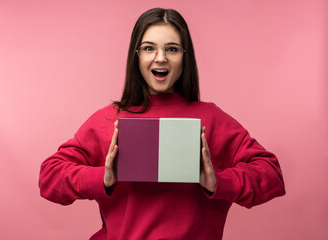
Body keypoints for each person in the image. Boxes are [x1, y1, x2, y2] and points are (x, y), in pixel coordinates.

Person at [39, 8, 286, 240]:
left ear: (184, 56)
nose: (160, 58)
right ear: (136, 56)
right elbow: (49, 177)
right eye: (148, 48)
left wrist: (219, 182)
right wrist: (101, 177)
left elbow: (271, 173)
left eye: (172, 49)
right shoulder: (109, 120)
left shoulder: (211, 119)